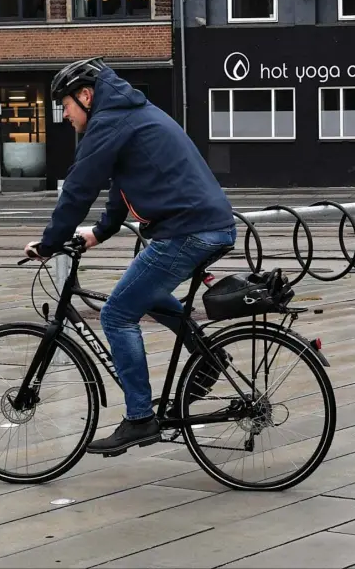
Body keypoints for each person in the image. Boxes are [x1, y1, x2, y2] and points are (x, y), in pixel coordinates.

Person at [23, 57, 237, 455]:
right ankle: (208, 357)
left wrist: (49, 242)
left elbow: (79, 188)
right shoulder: (126, 113)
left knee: (117, 313)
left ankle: (140, 418)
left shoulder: (110, 121)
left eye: (65, 105)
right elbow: (121, 182)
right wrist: (99, 233)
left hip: (188, 231)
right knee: (149, 293)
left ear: (85, 95)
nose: (65, 115)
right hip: (202, 225)